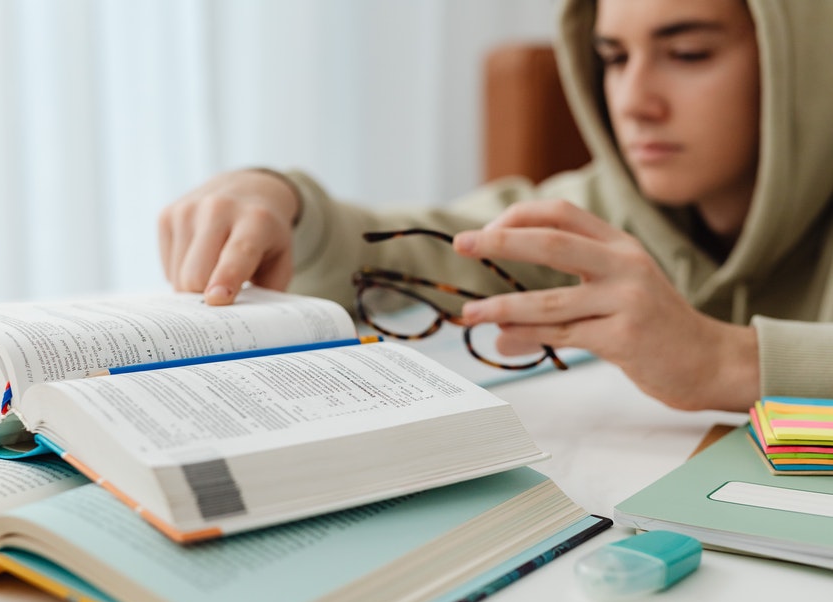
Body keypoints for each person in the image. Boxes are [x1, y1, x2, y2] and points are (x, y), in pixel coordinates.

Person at [159, 0, 833, 413]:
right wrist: (283, 199)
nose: (633, 100)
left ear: (802, 61)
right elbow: (429, 247)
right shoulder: (606, 205)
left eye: (688, 53)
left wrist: (721, 360)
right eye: (614, 57)